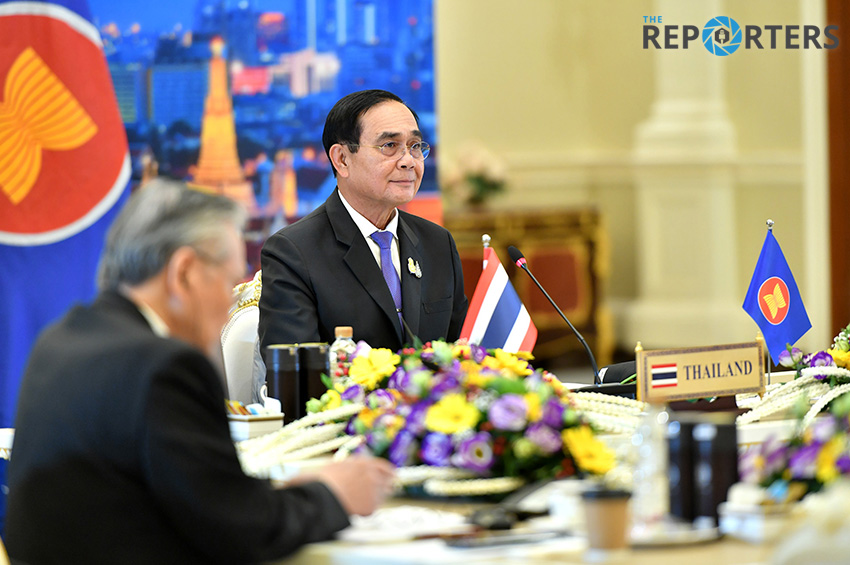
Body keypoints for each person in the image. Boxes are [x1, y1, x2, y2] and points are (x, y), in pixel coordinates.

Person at [5, 179, 395, 564]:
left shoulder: (60, 339)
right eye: (228, 281)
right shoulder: (164, 368)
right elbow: (243, 529)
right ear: (185, 272)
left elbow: (198, 496)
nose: (229, 304)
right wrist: (333, 495)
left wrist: (278, 495)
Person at [259, 89, 468, 363]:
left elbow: (461, 354)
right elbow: (296, 374)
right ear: (342, 159)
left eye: (415, 146)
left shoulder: (437, 242)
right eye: (389, 146)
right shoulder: (293, 252)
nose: (408, 161)